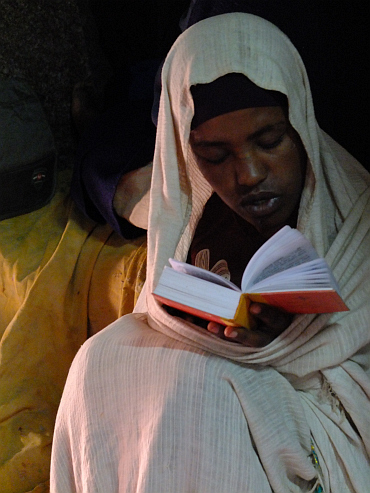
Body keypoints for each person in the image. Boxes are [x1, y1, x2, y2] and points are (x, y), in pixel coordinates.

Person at [50, 13, 370, 492]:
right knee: (102, 361)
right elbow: (160, 316)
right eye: (214, 156)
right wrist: (212, 331)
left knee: (199, 393)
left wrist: (283, 343)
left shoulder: (355, 216)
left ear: (300, 121)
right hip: (208, 392)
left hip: (317, 415)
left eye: (269, 141)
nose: (249, 174)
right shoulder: (194, 216)